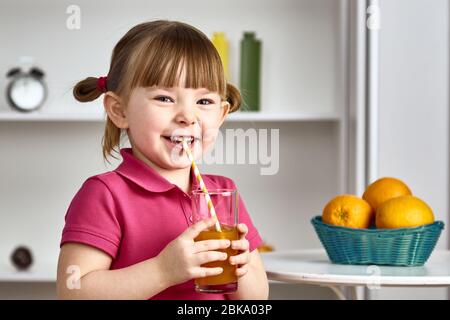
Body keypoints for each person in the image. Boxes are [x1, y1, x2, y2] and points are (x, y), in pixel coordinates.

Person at [56, 20, 268, 300]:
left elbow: (258, 298)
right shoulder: (105, 195)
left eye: (203, 102)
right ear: (119, 111)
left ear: (221, 114)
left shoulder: (222, 194)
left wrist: (242, 269)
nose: (187, 116)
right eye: (165, 98)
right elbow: (72, 291)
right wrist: (162, 271)